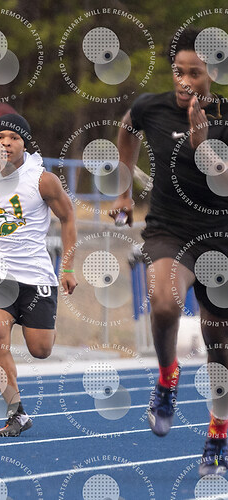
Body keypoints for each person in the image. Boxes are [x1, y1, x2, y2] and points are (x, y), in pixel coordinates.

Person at [110, 27, 228, 477]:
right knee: (163, 301)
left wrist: (202, 145)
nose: (184, 82)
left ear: (213, 73)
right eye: (178, 71)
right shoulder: (152, 107)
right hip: (170, 229)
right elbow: (127, 129)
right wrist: (123, 190)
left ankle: (218, 430)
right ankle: (166, 377)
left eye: (194, 73)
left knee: (220, 350)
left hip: (219, 237)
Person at [0, 114, 77, 437]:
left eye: (14, 138)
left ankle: (35, 325)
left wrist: (67, 267)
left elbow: (68, 217)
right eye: (1, 137)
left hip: (36, 276)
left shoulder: (42, 180)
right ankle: (16, 413)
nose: (7, 143)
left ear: (25, 144)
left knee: (41, 349)